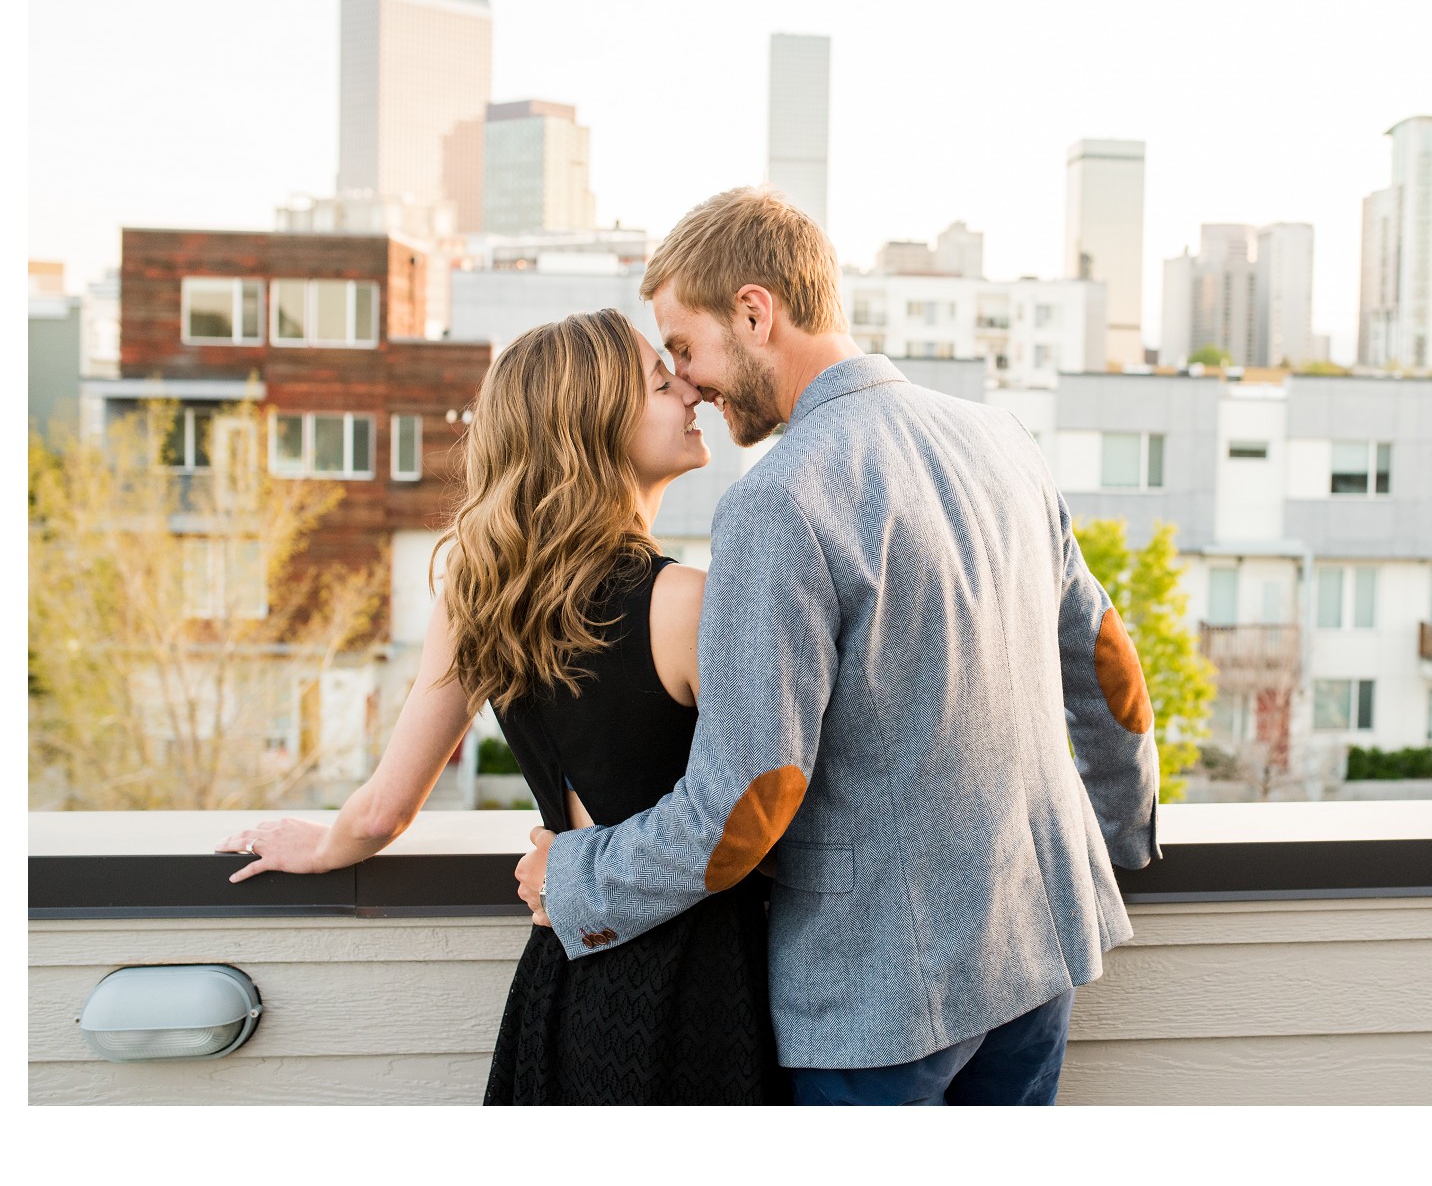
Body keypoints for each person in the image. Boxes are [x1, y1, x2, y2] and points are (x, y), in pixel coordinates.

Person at [516, 187, 1161, 1106]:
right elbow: (1105, 660)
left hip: (882, 997)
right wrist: (1123, 831)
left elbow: (747, 803)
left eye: (687, 348)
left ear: (755, 310)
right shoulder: (1000, 436)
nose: (689, 381)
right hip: (1040, 945)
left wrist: (576, 878)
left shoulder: (780, 499)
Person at [216, 309, 785, 1104]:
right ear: (598, 423)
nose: (690, 391)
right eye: (662, 382)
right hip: (703, 981)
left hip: (568, 973)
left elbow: (383, 810)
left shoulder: (480, 593)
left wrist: (318, 848)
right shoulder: (689, 602)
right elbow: (766, 805)